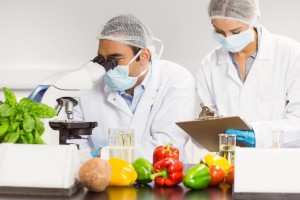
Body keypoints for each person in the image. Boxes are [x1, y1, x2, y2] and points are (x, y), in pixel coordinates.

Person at [75, 15, 198, 162]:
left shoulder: (176, 79)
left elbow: (169, 144)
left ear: (144, 56)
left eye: (115, 59)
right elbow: (77, 144)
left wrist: (106, 155)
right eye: (102, 59)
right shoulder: (88, 85)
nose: (106, 68)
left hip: (162, 175)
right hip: (104, 176)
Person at [197, 0, 300, 148]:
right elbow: (208, 122)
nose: (227, 38)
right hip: (230, 162)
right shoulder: (209, 64)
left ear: (253, 20)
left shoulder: (291, 54)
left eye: (236, 32)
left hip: (281, 161)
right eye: (219, 32)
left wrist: (259, 134)